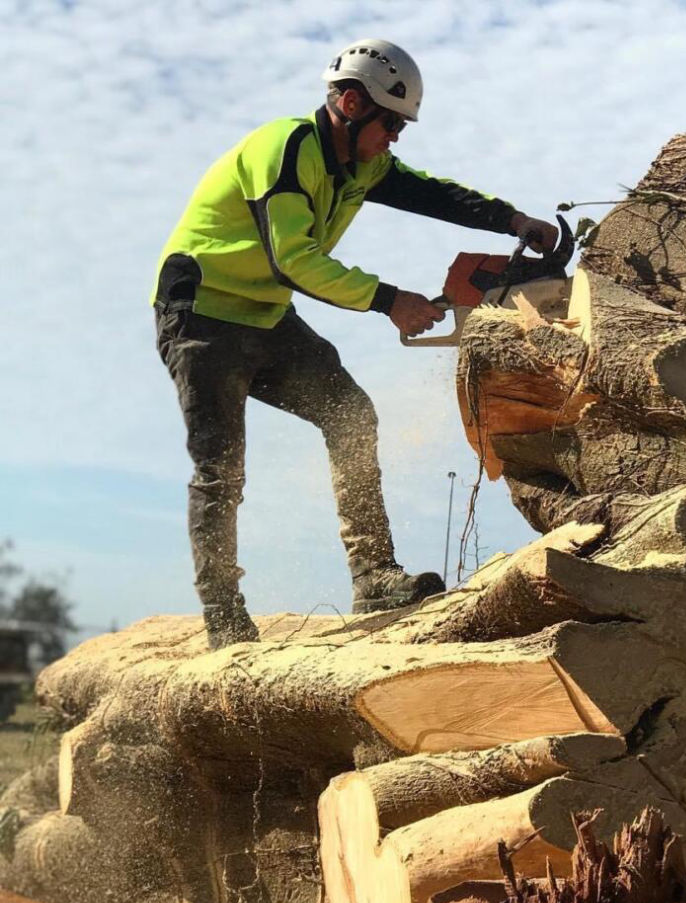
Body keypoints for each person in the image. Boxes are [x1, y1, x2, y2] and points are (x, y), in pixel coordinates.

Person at [152, 38, 559, 648]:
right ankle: (224, 618)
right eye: (391, 123)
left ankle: (372, 576)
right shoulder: (285, 149)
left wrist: (511, 220)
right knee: (221, 468)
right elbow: (291, 258)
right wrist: (390, 300)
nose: (395, 137)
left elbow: (431, 192)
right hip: (201, 314)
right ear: (350, 102)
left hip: (265, 316)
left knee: (351, 416)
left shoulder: (362, 163)